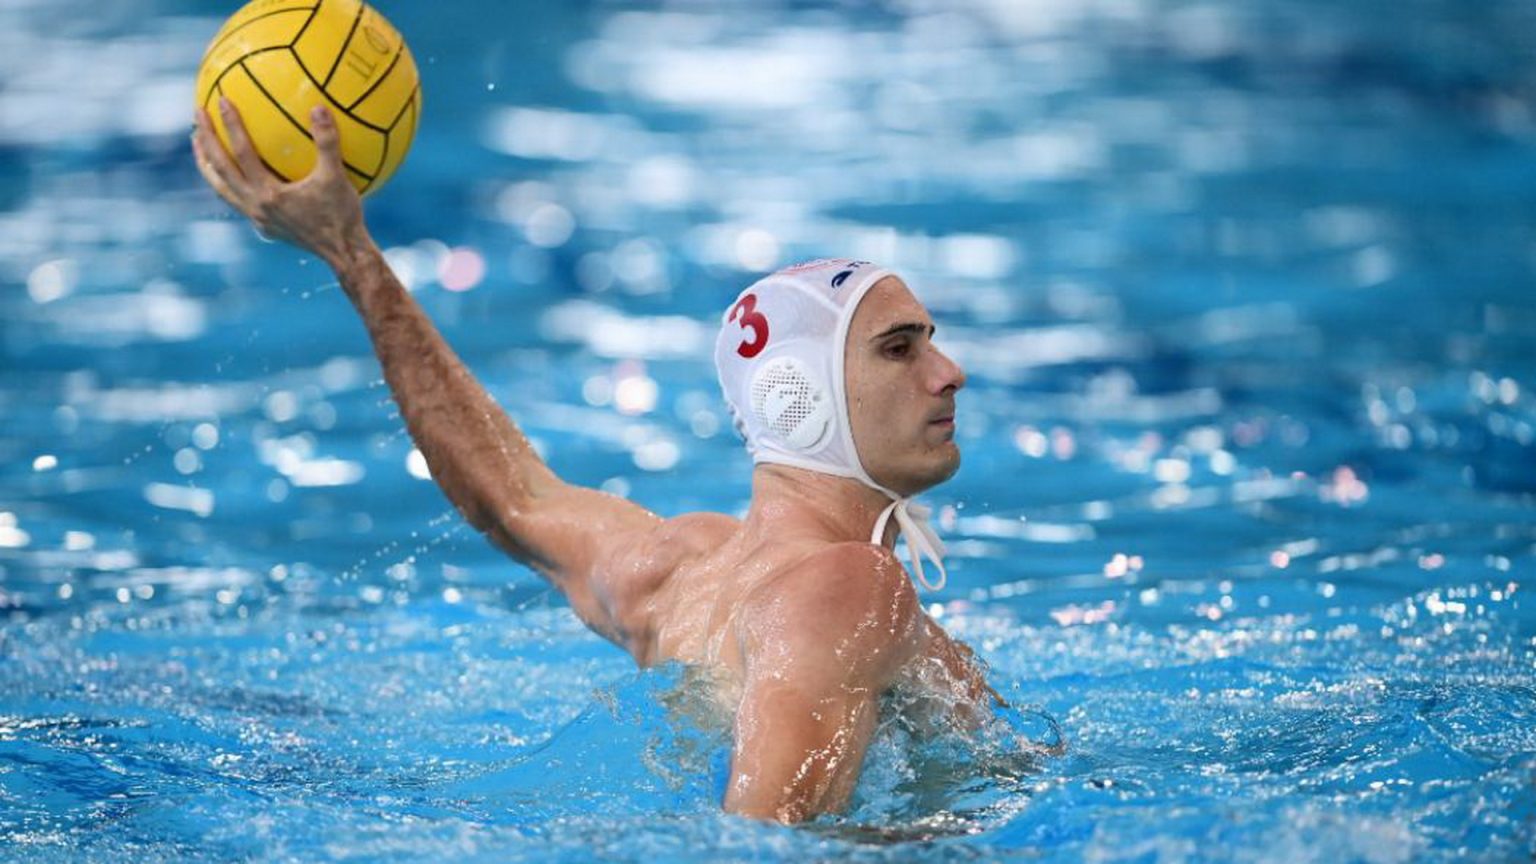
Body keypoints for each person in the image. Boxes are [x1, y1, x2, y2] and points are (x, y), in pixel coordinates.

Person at [192, 100, 1004, 823]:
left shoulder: (681, 570)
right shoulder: (847, 587)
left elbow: (512, 497)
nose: (948, 372)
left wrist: (351, 254)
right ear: (801, 395)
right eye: (899, 348)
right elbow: (766, 845)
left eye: (931, 341)